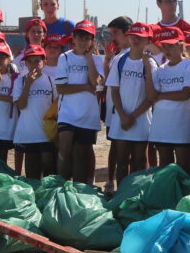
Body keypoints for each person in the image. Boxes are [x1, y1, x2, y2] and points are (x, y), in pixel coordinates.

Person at [105, 22, 157, 181]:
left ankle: (138, 195)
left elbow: (151, 97)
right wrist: (123, 115)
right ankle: (121, 194)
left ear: (148, 40)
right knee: (121, 161)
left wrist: (132, 116)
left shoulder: (151, 63)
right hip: (120, 119)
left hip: (141, 120)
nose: (136, 40)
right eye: (134, 36)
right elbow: (114, 90)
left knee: (140, 161)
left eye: (141, 37)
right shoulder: (120, 60)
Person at [55, 20, 103, 184]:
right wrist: (85, 86)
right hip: (67, 114)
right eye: (80, 37)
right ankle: (61, 186)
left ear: (92, 41)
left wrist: (89, 59)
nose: (83, 41)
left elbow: (95, 83)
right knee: (65, 149)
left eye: (87, 38)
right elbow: (61, 88)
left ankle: (77, 189)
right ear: (73, 38)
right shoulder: (65, 58)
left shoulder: (96, 60)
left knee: (81, 154)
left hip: (88, 114)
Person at [148, 26, 190, 174]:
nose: (167, 49)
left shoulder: (189, 67)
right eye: (164, 46)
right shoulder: (161, 69)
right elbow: (152, 96)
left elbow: (184, 94)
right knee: (164, 166)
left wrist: (162, 96)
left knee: (183, 167)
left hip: (181, 125)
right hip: (161, 124)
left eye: (171, 45)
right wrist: (147, 67)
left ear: (180, 45)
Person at [12, 45, 57, 179]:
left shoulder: (51, 81)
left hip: (47, 132)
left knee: (49, 166)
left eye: (37, 61)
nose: (33, 65)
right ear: (25, 64)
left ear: (44, 62)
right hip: (28, 132)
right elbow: (21, 105)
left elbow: (56, 106)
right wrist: (28, 85)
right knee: (31, 169)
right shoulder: (20, 81)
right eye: (30, 61)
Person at [102, 16, 133, 192]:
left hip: (127, 108)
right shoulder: (116, 56)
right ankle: (110, 180)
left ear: (127, 32)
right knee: (114, 146)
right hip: (112, 109)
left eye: (115, 33)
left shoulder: (134, 54)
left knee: (132, 151)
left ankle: (129, 184)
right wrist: (106, 59)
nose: (113, 37)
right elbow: (108, 81)